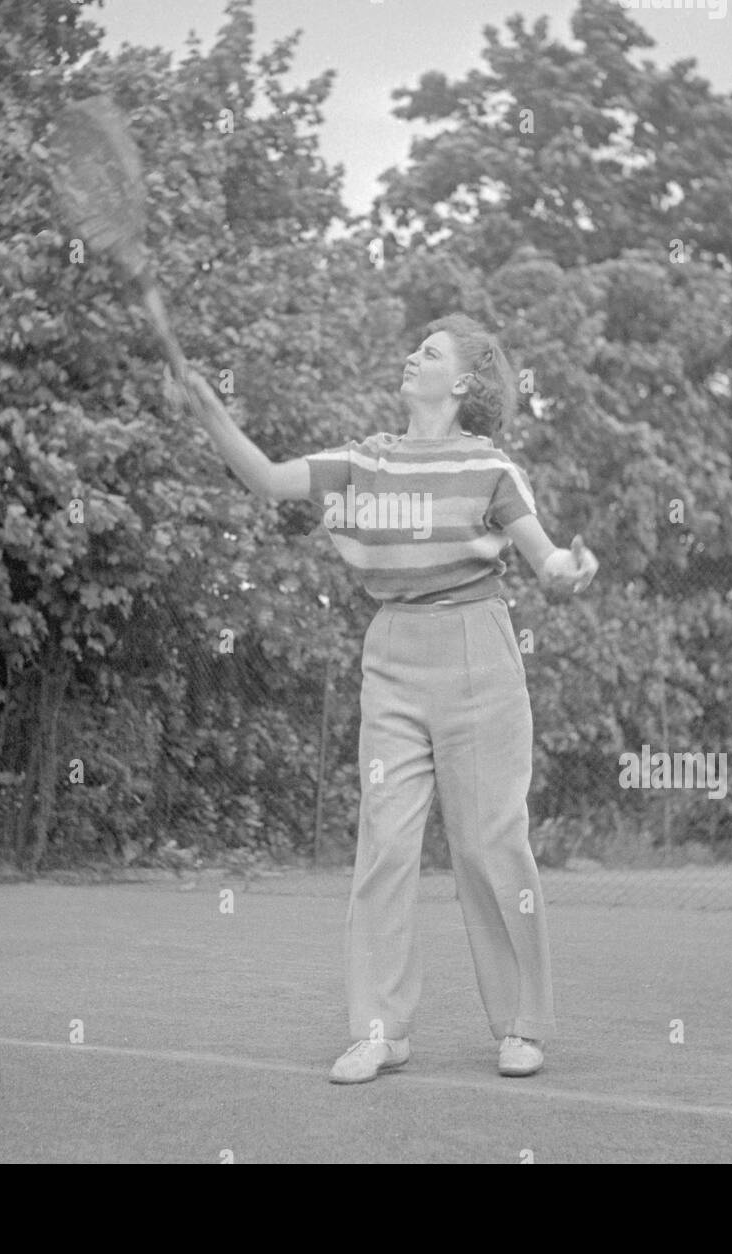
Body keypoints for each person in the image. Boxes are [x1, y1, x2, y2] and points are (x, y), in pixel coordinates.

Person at [168, 312, 597, 1082]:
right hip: (392, 653)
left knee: (488, 842)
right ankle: (379, 1029)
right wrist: (209, 412)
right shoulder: (365, 461)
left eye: (428, 353)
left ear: (461, 382)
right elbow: (266, 479)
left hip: (478, 652)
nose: (411, 356)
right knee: (385, 844)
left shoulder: (492, 467)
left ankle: (522, 1023)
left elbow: (545, 560)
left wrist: (570, 569)